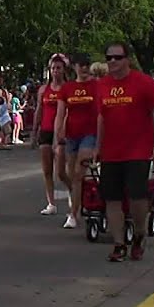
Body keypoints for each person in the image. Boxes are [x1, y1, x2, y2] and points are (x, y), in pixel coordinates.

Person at [96, 42, 154, 263]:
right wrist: (97, 148)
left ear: (127, 59)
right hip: (111, 152)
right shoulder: (102, 85)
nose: (112, 62)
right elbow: (101, 118)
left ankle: (138, 234)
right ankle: (119, 244)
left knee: (137, 197)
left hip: (138, 150)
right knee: (112, 199)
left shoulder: (144, 83)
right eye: (108, 58)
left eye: (117, 58)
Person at [54, 53, 98, 229]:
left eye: (87, 64)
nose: (84, 68)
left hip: (90, 134)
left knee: (80, 173)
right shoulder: (67, 88)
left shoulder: (96, 86)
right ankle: (80, 202)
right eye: (81, 65)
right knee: (70, 175)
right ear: (74, 67)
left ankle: (73, 214)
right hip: (71, 134)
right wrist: (58, 134)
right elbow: (60, 113)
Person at [31, 54, 69, 216]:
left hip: (61, 132)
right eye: (53, 68)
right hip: (46, 130)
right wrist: (34, 130)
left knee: (61, 171)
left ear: (64, 70)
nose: (55, 71)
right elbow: (39, 110)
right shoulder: (43, 89)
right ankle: (51, 202)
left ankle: (73, 193)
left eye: (58, 68)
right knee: (47, 170)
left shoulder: (68, 88)